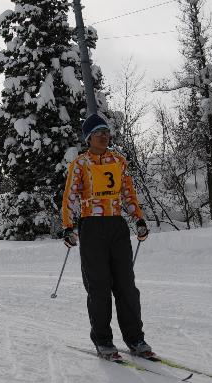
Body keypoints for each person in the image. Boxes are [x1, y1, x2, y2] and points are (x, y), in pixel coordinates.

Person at [61, 113, 152, 361]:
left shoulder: (119, 161)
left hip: (116, 225)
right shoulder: (80, 164)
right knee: (99, 287)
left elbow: (128, 193)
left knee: (126, 286)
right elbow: (70, 197)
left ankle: (135, 339)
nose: (104, 136)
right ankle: (103, 341)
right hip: (92, 226)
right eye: (98, 133)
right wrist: (68, 227)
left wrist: (139, 219)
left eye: (106, 132)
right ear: (89, 138)